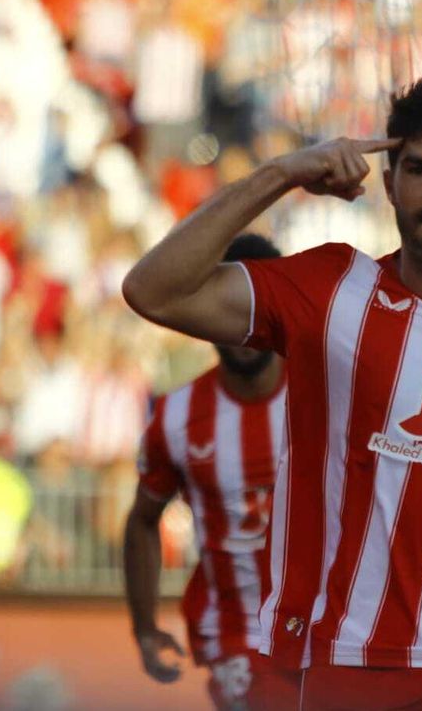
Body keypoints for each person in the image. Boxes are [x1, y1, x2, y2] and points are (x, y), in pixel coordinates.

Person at [123, 76, 422, 709]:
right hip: (347, 668)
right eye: (419, 169)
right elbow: (153, 290)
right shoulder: (331, 290)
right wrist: (280, 174)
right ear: (388, 183)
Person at [122, 233, 301, 710]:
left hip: (330, 630)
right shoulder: (178, 417)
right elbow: (142, 519)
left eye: (253, 311)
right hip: (234, 633)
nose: (241, 331)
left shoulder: (327, 393)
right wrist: (143, 627)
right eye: (227, 311)